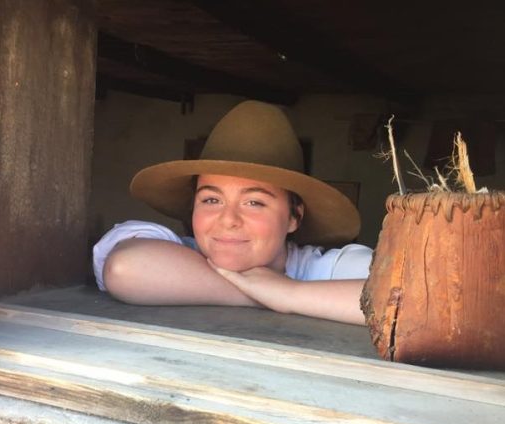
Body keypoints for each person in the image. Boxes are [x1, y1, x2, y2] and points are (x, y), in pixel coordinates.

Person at [93, 100, 373, 325]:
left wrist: (289, 292)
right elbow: (125, 268)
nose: (228, 220)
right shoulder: (175, 249)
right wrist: (259, 294)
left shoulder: (326, 268)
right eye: (212, 200)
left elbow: (410, 299)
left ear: (293, 217)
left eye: (254, 203)